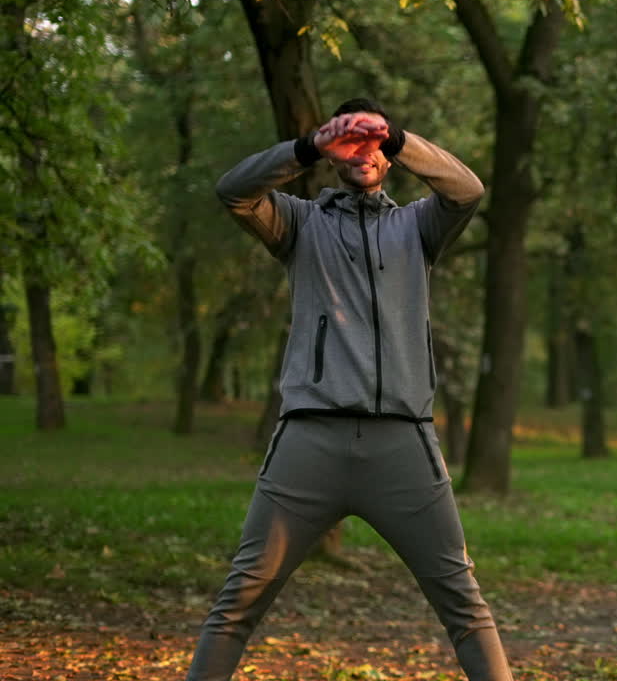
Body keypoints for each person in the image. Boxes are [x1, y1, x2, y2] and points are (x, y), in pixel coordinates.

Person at [186, 98, 512, 681]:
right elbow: (232, 191)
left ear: (386, 158)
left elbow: (468, 190)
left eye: (373, 146)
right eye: (351, 145)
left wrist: (396, 137)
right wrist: (309, 145)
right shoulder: (300, 223)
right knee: (237, 604)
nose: (362, 155)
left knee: (464, 606)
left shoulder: (416, 226)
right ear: (333, 159)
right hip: (310, 444)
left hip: (403, 448)